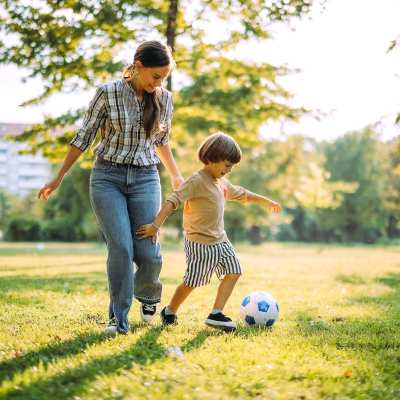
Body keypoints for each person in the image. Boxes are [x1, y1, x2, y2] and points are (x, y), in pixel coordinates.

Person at [38, 41, 184, 335]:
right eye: (156, 76)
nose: (160, 83)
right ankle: (118, 320)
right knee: (120, 247)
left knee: (149, 253)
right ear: (138, 66)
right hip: (108, 178)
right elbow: (83, 138)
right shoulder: (108, 93)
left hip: (145, 178)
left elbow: (161, 142)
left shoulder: (164, 99)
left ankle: (148, 295)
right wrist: (59, 177)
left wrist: (176, 177)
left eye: (164, 77)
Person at [136, 133, 281, 331]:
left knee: (234, 271)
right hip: (199, 243)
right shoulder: (196, 181)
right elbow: (173, 201)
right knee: (191, 281)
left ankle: (216, 313)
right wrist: (155, 225)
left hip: (221, 240)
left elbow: (243, 194)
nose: (228, 170)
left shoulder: (221, 183)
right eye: (227, 165)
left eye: (231, 167)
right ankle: (169, 311)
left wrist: (266, 201)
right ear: (212, 158)